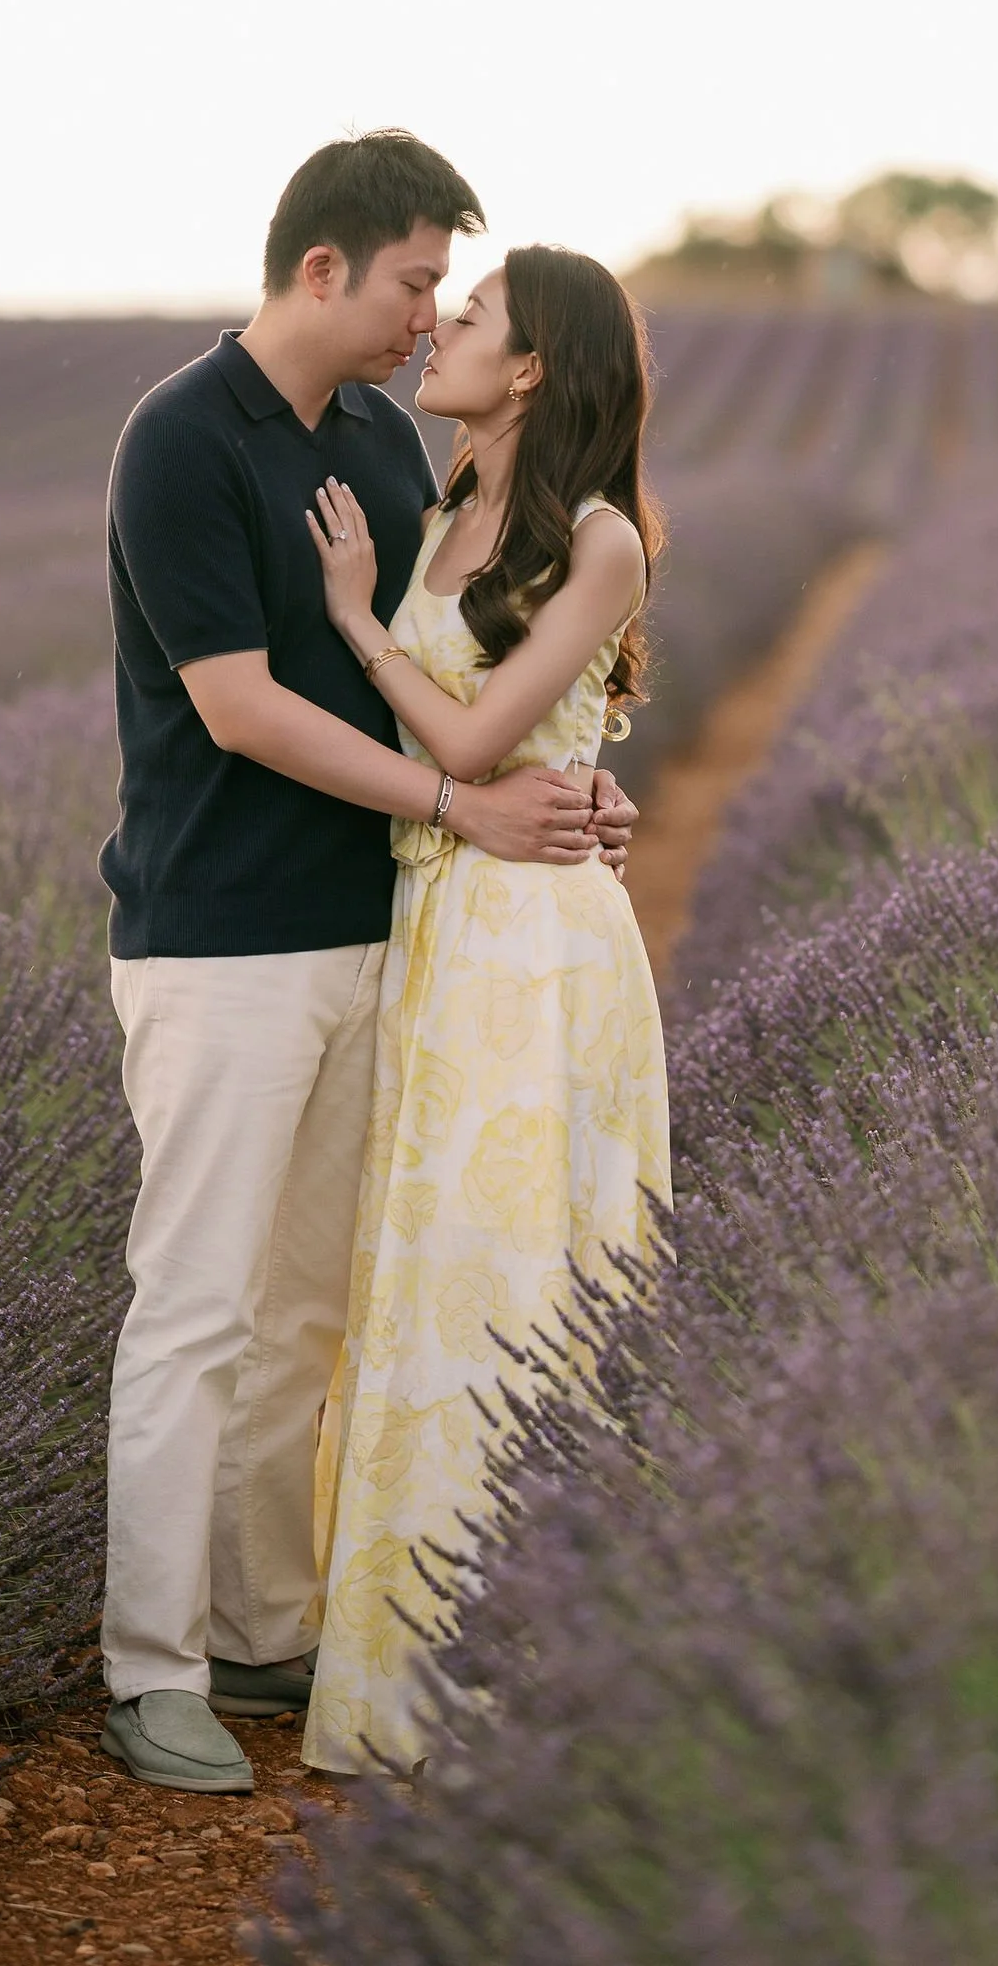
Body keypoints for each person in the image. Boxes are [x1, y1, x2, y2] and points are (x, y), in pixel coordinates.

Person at [97, 133, 638, 1796]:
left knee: (312, 1318)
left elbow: (474, 642)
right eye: (414, 282)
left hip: (386, 933)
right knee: (195, 1309)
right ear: (322, 269)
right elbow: (240, 704)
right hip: (221, 940)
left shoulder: (399, 445)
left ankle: (264, 1630)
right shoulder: (182, 439)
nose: (425, 318)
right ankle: (149, 1666)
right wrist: (461, 802)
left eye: (445, 295)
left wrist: (584, 759)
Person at [299, 244, 671, 1776]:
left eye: (468, 317)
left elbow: (477, 731)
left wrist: (350, 618)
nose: (437, 329)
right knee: (420, 1273)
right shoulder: (444, 501)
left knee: (511, 1280)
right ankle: (397, 1662)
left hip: (535, 942)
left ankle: (510, 1681)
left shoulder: (602, 544)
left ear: (526, 369)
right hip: (445, 916)